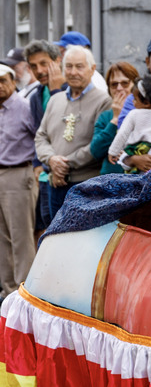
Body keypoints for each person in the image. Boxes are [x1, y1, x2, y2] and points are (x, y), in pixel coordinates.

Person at [34, 45, 112, 220]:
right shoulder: (55, 100)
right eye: (69, 66)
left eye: (79, 66)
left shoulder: (103, 101)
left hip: (86, 183)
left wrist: (65, 164)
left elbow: (98, 144)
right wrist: (52, 160)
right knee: (55, 239)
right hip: (55, 182)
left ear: (92, 69)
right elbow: (41, 136)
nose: (73, 72)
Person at [0, 63, 37, 299]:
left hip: (18, 173)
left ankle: (26, 293)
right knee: (2, 238)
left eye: (3, 80)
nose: (0, 86)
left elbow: (40, 136)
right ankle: (8, 292)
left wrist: (38, 169)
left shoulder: (24, 106)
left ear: (13, 82)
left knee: (21, 236)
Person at [23, 40, 66, 230]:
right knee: (45, 225)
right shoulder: (36, 96)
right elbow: (37, 133)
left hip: (66, 170)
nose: (39, 70)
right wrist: (36, 163)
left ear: (57, 61)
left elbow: (63, 129)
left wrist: (56, 91)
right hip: (44, 174)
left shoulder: (70, 91)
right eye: (33, 66)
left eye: (44, 63)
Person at [108, 72, 151, 173]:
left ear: (147, 103)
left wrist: (113, 151)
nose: (133, 102)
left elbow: (122, 134)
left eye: (135, 99)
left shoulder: (134, 114)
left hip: (138, 152)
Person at [90, 61, 139, 174]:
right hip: (111, 180)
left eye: (125, 83)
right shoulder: (106, 117)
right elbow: (96, 151)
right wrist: (115, 119)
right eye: (114, 84)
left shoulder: (144, 112)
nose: (119, 88)